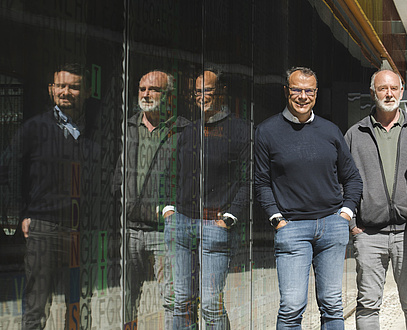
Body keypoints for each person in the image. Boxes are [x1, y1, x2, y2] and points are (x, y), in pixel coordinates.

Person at [255, 66, 363, 329]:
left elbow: (353, 178)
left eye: (309, 91)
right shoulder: (267, 131)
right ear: (286, 91)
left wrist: (345, 214)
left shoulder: (330, 130)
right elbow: (261, 182)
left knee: (333, 305)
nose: (302, 96)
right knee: (291, 307)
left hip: (332, 226)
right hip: (292, 228)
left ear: (316, 93)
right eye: (296, 90)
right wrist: (277, 219)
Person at [1, 63, 99, 329]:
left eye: (74, 87)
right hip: (44, 228)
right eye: (61, 86)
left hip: (83, 232)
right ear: (51, 89)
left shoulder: (95, 132)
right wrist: (23, 214)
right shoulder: (34, 128)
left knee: (78, 306)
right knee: (36, 306)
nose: (66, 92)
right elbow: (9, 168)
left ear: (87, 91)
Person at [344, 69, 407, 329]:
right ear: (373, 93)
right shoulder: (355, 134)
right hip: (369, 235)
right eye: (383, 88)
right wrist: (353, 225)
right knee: (368, 304)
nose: (389, 93)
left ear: (402, 91)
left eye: (394, 88)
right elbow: (342, 182)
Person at [165, 69, 250, 329]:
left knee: (211, 306)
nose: (201, 97)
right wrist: (169, 210)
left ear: (221, 93)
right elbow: (172, 172)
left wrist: (229, 217)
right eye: (197, 92)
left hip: (215, 227)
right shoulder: (188, 131)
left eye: (208, 91)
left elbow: (249, 180)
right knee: (181, 302)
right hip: (180, 225)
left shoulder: (241, 130)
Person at [114, 70, 189, 329]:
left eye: (153, 89)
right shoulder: (128, 127)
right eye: (142, 88)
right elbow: (115, 175)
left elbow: (191, 180)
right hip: (131, 229)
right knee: (127, 299)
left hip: (165, 231)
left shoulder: (183, 130)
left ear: (168, 95)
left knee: (173, 298)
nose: (146, 94)